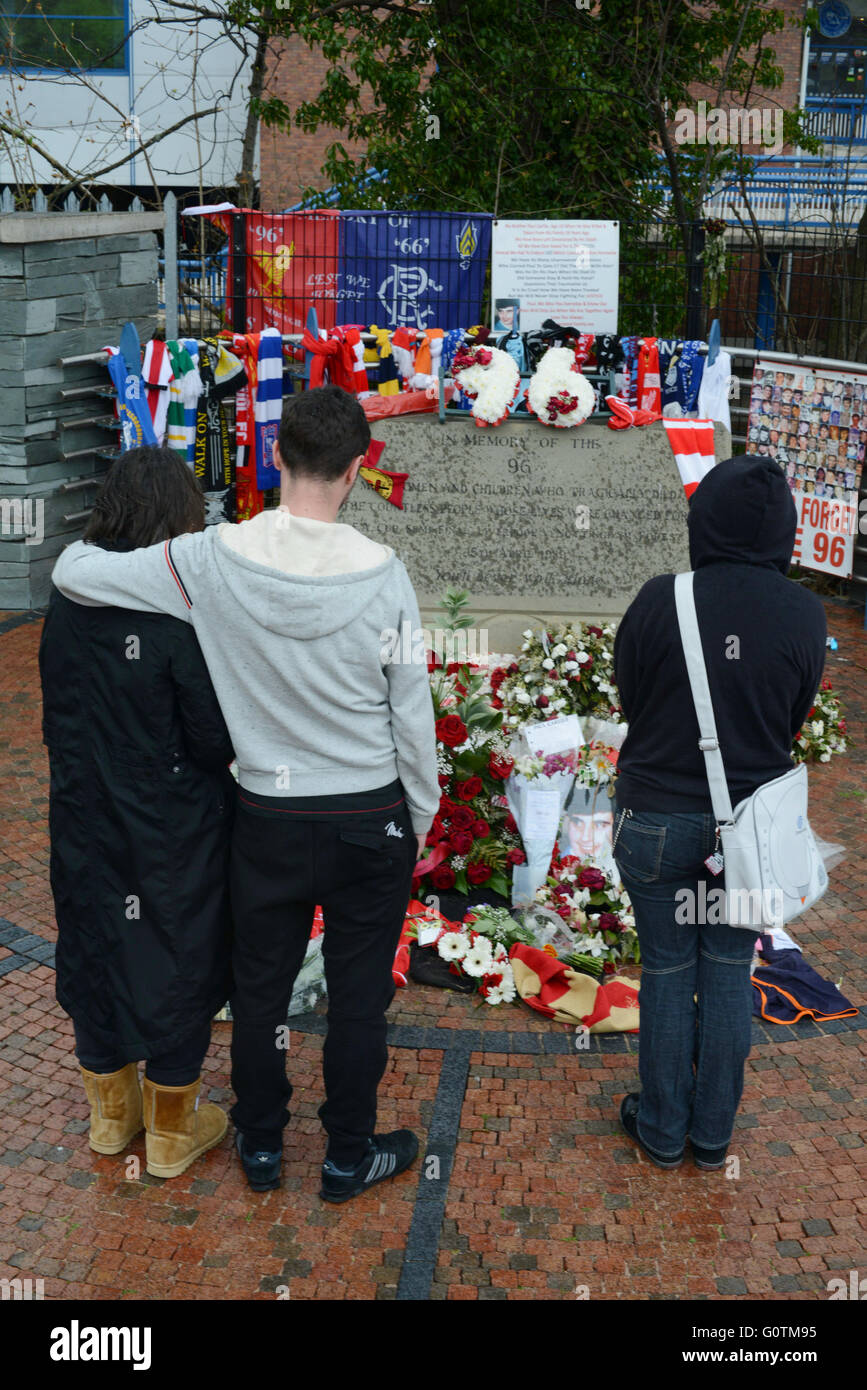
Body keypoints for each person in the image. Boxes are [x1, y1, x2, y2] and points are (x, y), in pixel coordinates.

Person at [51, 385, 440, 1203]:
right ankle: (346, 1156)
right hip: (368, 812)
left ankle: (261, 1146)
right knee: (359, 997)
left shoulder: (209, 558)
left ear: (274, 456)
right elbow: (411, 711)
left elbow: (77, 570)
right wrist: (421, 814)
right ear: (358, 470)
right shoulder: (386, 574)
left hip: (268, 812)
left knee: (260, 990)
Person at [610, 455, 825, 1171]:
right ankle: (710, 1137)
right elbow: (790, 719)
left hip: (657, 822)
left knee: (668, 970)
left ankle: (662, 1129)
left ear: (702, 522)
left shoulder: (658, 599)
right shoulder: (803, 613)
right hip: (749, 835)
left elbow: (631, 700)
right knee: (730, 966)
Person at [40, 447, 234, 1179]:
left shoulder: (64, 599)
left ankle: (108, 1120)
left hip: (80, 815)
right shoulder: (172, 617)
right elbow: (212, 738)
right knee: (176, 957)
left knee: (93, 944)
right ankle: (171, 1134)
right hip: (168, 825)